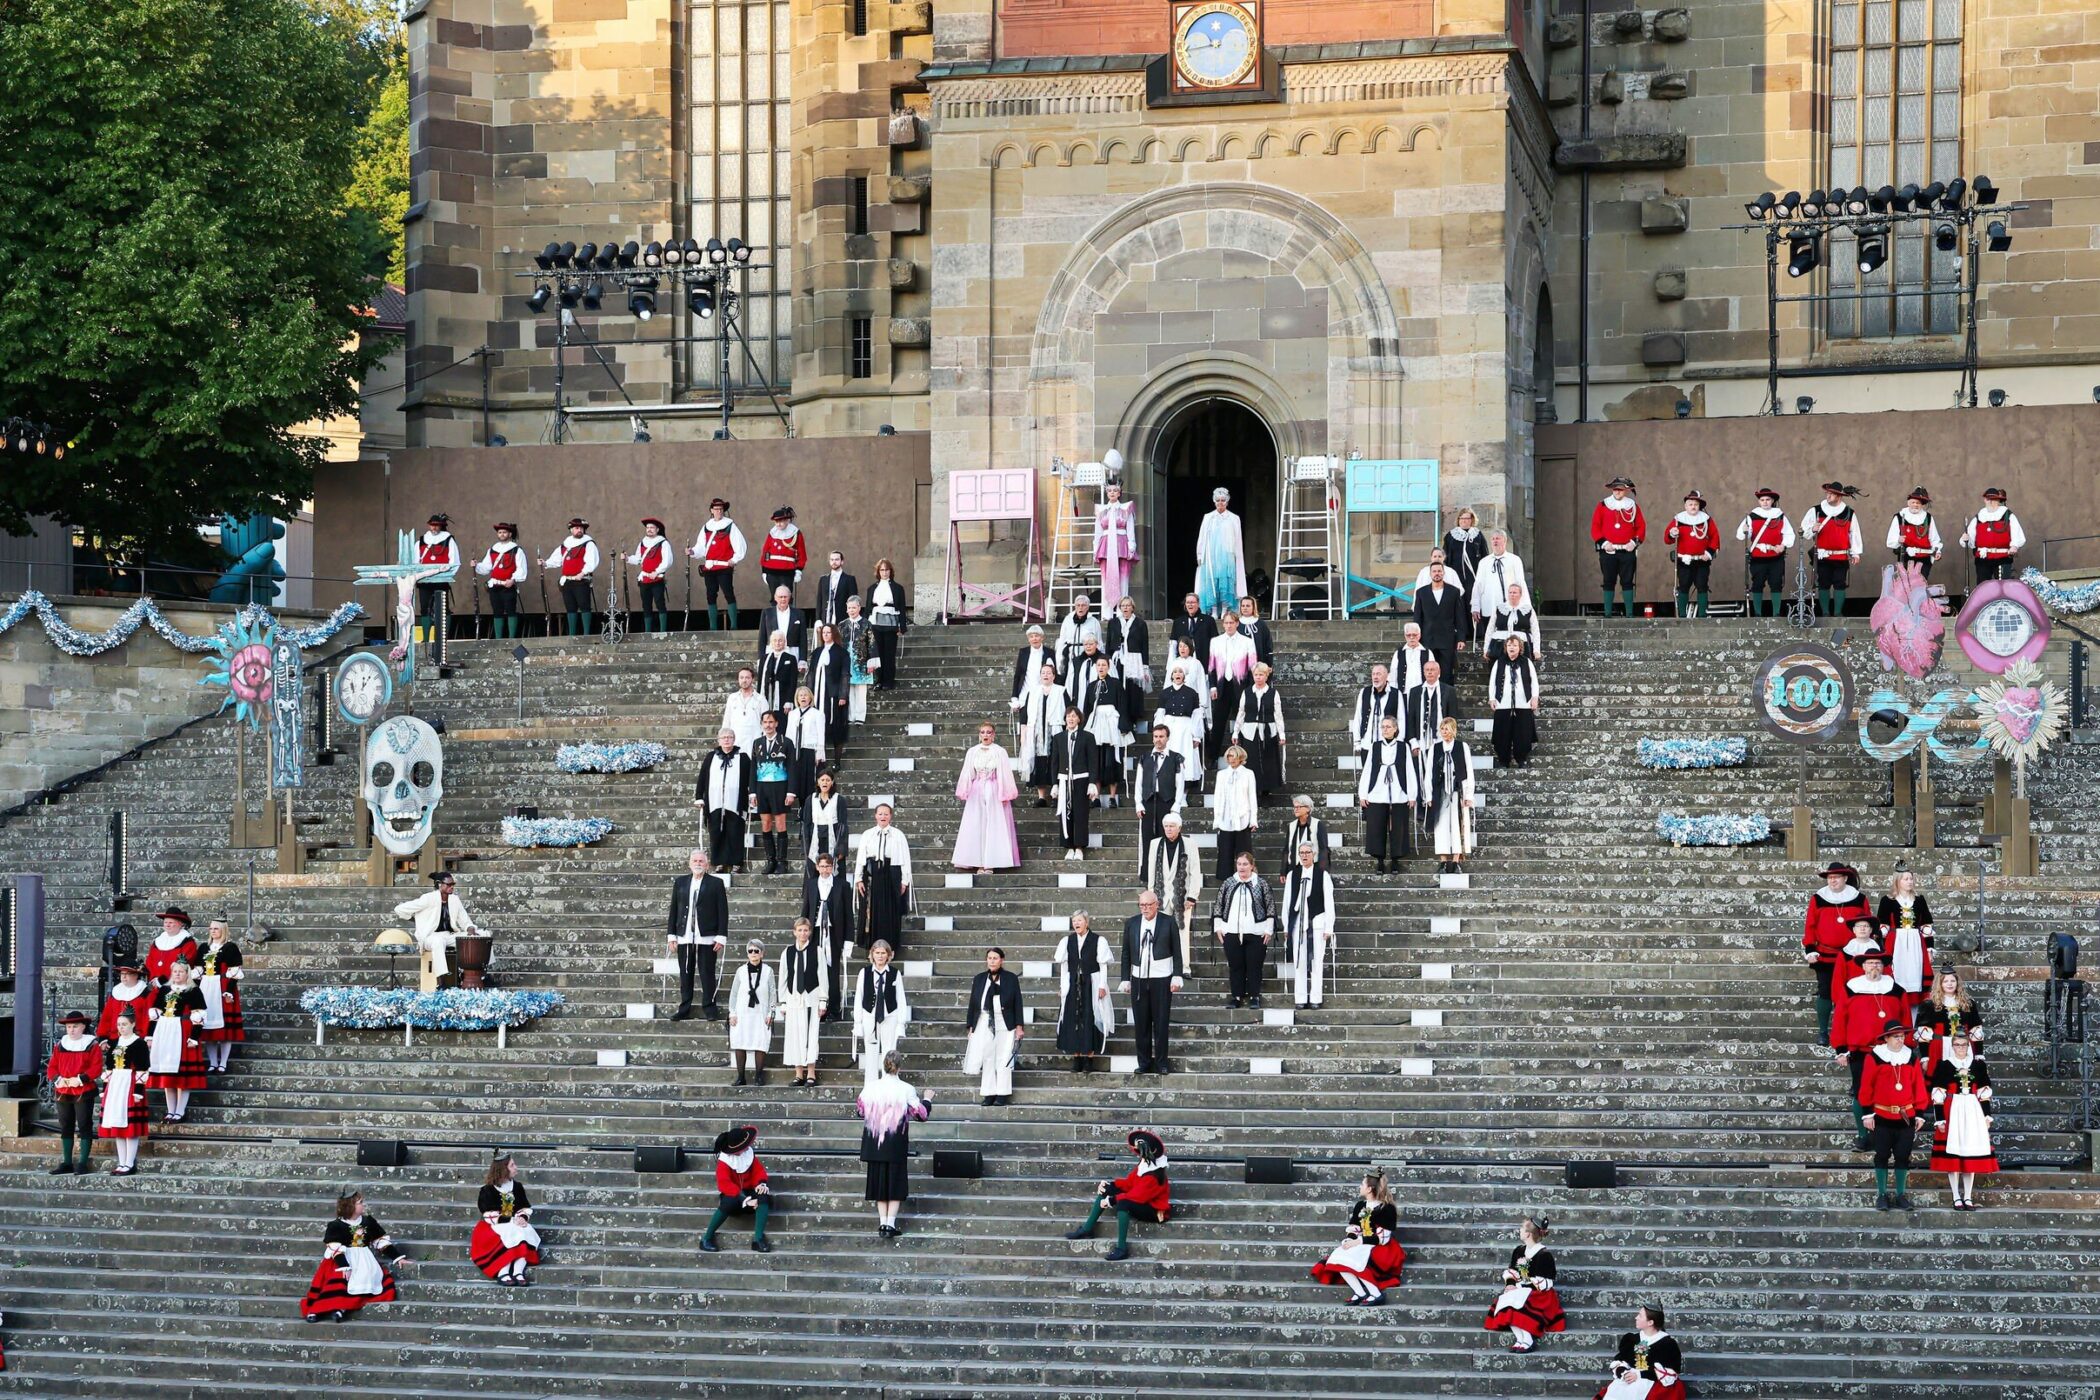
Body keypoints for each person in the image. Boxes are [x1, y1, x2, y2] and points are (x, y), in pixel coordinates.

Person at [1832, 945, 1904, 1153]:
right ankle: (1863, 1136)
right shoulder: (1851, 987)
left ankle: (1886, 1137)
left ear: (1884, 967)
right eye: (1870, 963)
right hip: (1860, 1050)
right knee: (1860, 1092)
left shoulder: (1896, 989)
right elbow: (1840, 1020)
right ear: (1863, 966)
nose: (1874, 966)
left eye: (1878, 963)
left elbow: (1904, 1019)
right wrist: (1840, 1048)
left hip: (1889, 1050)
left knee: (1889, 1093)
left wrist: (1904, 1044)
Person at [1064, 1129, 1171, 1262]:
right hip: (1140, 1200)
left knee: (1123, 1204)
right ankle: (1087, 1228)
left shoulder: (1155, 1175)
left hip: (1154, 1210)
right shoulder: (1144, 1165)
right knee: (1106, 1190)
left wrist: (1112, 1200)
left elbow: (1137, 1196)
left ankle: (1122, 1248)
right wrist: (1110, 1186)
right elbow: (1129, 1183)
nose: (1138, 1153)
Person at [299, 1191, 405, 1323]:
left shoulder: (368, 1222)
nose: (363, 1205)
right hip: (341, 1260)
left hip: (363, 1259)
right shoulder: (336, 1226)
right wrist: (344, 1266)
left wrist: (398, 1257)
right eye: (360, 1203)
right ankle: (316, 1309)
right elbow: (335, 1249)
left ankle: (342, 1308)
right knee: (337, 1280)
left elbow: (380, 1242)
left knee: (363, 1279)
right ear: (350, 1206)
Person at [857, 1051, 932, 1237]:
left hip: (875, 1143)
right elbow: (921, 1114)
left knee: (880, 1185)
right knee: (895, 1184)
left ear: (884, 1065)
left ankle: (883, 1223)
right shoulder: (906, 1088)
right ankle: (890, 1224)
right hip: (895, 1143)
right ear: (899, 1067)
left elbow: (860, 1111)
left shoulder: (871, 1087)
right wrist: (928, 1099)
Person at [1858, 1016, 1928, 1211]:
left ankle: (1900, 1195)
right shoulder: (1874, 1056)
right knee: (1881, 1155)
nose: (1900, 1039)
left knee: (1903, 1156)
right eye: (1895, 1036)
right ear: (1886, 1038)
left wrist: (1920, 1113)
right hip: (1881, 1115)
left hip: (1905, 1116)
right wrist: (1867, 1114)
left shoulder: (1911, 1057)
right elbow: (1866, 1086)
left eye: (1902, 1036)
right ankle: (1881, 1194)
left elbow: (1919, 1087)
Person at [1309, 1171, 1404, 1306]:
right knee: (1338, 1256)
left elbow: (1383, 1238)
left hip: (1381, 1246)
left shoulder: (1387, 1208)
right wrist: (1350, 1239)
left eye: (1362, 1184)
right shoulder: (1360, 1205)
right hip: (1362, 1242)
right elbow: (1355, 1227)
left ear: (1370, 1189)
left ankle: (1376, 1294)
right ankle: (1359, 1292)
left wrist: (1358, 1241)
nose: (1360, 1187)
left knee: (1356, 1258)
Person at [1801, 861, 1871, 1045]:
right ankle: (1823, 1032)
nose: (1832, 881)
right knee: (1825, 991)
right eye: (1830, 878)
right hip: (1825, 954)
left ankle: (1850, 1031)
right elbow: (1810, 925)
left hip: (1852, 955)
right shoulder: (1818, 898)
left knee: (1852, 992)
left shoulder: (1859, 898)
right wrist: (1810, 948)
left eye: (1836, 878)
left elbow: (1868, 923)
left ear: (1845, 878)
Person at [1929, 1027, 1996, 1210]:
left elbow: (1983, 1093)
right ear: (1952, 1046)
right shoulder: (1944, 1065)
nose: (1960, 1048)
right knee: (1954, 1154)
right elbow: (1938, 1094)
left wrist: (1987, 1115)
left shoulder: (1978, 1065)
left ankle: (1968, 1196)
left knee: (1970, 1153)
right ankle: (1956, 1196)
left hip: (1973, 1110)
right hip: (1953, 1109)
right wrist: (1940, 1119)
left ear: (1968, 1046)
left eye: (1964, 1045)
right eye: (1957, 1045)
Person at [1120, 891, 1184, 1075]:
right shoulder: (1131, 923)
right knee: (1141, 1023)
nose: (1145, 909)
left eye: (1148, 905)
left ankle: (1162, 1063)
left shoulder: (1168, 921)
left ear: (1157, 904)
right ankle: (1144, 1062)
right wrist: (1125, 978)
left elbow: (1177, 951)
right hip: (1139, 978)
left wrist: (1177, 975)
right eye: (1142, 905)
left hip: (1162, 978)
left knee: (1161, 1022)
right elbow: (1126, 953)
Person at [664, 849, 729, 1022]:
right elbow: (674, 910)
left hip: (707, 937)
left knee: (707, 973)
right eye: (695, 861)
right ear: (689, 863)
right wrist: (671, 935)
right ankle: (684, 1008)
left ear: (707, 865)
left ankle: (710, 1008)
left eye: (701, 861)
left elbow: (723, 911)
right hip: (684, 935)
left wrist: (721, 936)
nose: (698, 864)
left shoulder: (716, 883)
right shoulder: (680, 883)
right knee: (685, 974)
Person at [1482, 1216, 1565, 1352]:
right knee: (1506, 1300)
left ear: (1528, 1234)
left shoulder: (1544, 1255)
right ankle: (1520, 1338)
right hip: (1521, 1289)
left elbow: (1545, 1282)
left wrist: (1521, 1287)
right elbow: (1512, 1271)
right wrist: (1510, 1284)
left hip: (1539, 1294)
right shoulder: (1519, 1251)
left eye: (1522, 1228)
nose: (1519, 1231)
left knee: (1519, 1303)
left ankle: (1527, 1339)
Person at [953, 722, 1021, 873]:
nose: (986, 735)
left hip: (994, 789)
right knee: (977, 824)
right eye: (983, 732)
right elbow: (968, 773)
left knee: (994, 825)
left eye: (989, 732)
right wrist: (965, 790)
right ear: (979, 735)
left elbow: (1005, 773)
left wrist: (1004, 793)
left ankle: (991, 862)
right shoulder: (972, 752)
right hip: (977, 791)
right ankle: (979, 862)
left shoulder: (1000, 752)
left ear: (994, 735)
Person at [146, 960, 207, 1123]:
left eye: (181, 971)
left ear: (187, 974)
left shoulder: (193, 991)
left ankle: (180, 1111)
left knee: (182, 1076)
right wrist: (150, 1036)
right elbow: (155, 1014)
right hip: (164, 1031)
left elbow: (199, 1016)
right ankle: (170, 1110)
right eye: (175, 971)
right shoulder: (164, 989)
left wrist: (194, 1037)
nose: (178, 974)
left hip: (182, 1031)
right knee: (168, 1074)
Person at [44, 1009, 104, 1175]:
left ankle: (83, 1163)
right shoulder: (60, 1045)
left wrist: (80, 1079)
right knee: (66, 1126)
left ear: (83, 1027)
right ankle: (67, 1162)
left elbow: (96, 1067)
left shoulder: (92, 1044)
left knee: (84, 1125)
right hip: (63, 1089)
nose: (71, 1030)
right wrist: (58, 1079)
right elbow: (52, 1067)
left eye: (75, 1026)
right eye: (69, 1027)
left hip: (83, 1090)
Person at [1055, 911, 1116, 1072]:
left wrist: (1102, 986)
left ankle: (1089, 1058)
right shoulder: (1067, 941)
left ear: (1086, 922)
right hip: (1073, 983)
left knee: (1090, 1017)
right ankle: (1077, 1057)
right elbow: (1064, 966)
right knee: (1073, 1018)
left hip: (1091, 983)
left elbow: (1103, 965)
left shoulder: (1098, 940)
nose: (1076, 923)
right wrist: (1063, 987)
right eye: (1074, 920)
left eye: (1079, 920)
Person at [1141, 812, 1204, 969]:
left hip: (1182, 896)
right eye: (1166, 826)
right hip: (1160, 895)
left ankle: (1184, 966)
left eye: (1172, 826)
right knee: (1160, 931)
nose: (1168, 829)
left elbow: (1195, 871)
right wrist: (1150, 893)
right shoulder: (1155, 844)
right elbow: (1151, 870)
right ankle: (1162, 965)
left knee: (1182, 932)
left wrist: (1192, 896)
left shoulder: (1190, 844)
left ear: (1179, 828)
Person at [1212, 850, 1273, 1009]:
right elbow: (1219, 904)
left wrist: (1269, 929)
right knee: (1235, 965)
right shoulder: (1228, 883)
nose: (1241, 867)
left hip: (1256, 931)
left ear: (1252, 866)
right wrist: (1218, 927)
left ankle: (1254, 996)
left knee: (1254, 965)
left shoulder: (1261, 883)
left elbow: (1270, 906)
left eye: (1245, 864)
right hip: (1231, 931)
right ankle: (1236, 996)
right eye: (1239, 864)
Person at [965, 947, 1024, 1106]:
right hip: (984, 1021)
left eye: (995, 958)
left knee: (1003, 1058)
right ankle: (989, 1093)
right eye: (989, 958)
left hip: (1005, 1021)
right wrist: (970, 1025)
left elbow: (1018, 1002)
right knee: (988, 1057)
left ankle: (1002, 1093)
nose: (992, 961)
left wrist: (1019, 1026)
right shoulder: (979, 979)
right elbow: (973, 1003)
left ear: (1002, 960)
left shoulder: (1011, 978)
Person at [1357, 713, 1416, 873]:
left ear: (1395, 729)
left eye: (1388, 727)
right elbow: (1367, 770)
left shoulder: (1403, 747)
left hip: (1399, 791)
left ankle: (1395, 860)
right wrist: (1363, 794)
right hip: (1377, 792)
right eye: (1383, 727)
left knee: (1398, 827)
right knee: (1376, 826)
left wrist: (1412, 794)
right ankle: (1380, 861)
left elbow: (1410, 770)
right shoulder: (1375, 746)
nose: (1385, 729)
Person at [1281, 840, 1336, 1010]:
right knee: (1299, 962)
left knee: (1316, 963)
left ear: (1314, 855)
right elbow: (1287, 902)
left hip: (1317, 925)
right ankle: (1300, 998)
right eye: (1301, 853)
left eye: (1307, 853)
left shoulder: (1322, 874)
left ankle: (1316, 998)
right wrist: (1286, 926)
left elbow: (1329, 902)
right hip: (1298, 924)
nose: (1304, 856)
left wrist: (1329, 928)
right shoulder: (1293, 875)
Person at [97, 1008, 151, 1175]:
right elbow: (109, 1068)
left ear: (133, 1024)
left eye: (125, 1024)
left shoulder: (139, 1043)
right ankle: (121, 1162)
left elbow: (143, 1068)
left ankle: (129, 1162)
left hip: (130, 1085)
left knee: (130, 1127)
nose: (121, 1027)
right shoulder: (114, 1042)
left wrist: (138, 1091)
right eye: (119, 1024)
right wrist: (105, 1089)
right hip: (115, 1085)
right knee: (117, 1125)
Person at [470, 1155, 541, 1285]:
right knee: (511, 1232)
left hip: (514, 1223)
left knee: (524, 1231)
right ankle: (503, 1271)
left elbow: (524, 1206)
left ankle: (518, 1271)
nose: (516, 1167)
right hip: (493, 1225)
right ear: (503, 1169)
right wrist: (510, 1220)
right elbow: (487, 1214)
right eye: (512, 1165)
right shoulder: (487, 1190)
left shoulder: (517, 1187)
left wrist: (522, 1218)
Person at [703, 1125, 774, 1253]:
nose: (747, 1147)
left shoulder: (748, 1154)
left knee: (764, 1196)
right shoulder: (724, 1162)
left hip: (749, 1191)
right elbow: (724, 1184)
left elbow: (758, 1172)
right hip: (734, 1195)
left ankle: (758, 1239)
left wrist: (760, 1184)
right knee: (728, 1202)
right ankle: (706, 1238)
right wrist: (745, 1200)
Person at [802, 851, 856, 1022]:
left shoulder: (842, 885)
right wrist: (803, 934)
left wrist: (848, 940)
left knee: (832, 972)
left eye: (828, 866)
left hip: (833, 934)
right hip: (815, 933)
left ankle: (834, 1009)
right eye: (822, 866)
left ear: (833, 867)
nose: (825, 869)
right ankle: (818, 1009)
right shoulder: (810, 885)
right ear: (817, 867)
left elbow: (848, 915)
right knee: (814, 970)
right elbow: (805, 911)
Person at [1422, 716, 1477, 874]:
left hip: (1456, 789)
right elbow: (1429, 772)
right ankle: (1443, 860)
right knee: (1441, 825)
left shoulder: (1461, 746)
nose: (1444, 732)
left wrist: (1468, 795)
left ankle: (1455, 859)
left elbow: (1468, 770)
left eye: (1447, 729)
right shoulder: (1435, 747)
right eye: (1442, 729)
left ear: (1453, 730)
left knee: (1457, 824)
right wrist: (1429, 795)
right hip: (1440, 790)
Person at [1876, 869, 1936, 1015]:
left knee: (1915, 980)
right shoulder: (1887, 900)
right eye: (1906, 879)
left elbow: (1926, 925)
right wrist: (1880, 949)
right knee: (1896, 976)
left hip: (1916, 943)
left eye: (1911, 878)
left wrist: (1929, 949)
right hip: (1895, 943)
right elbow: (1882, 925)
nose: (1910, 881)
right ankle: (1896, 1020)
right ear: (1897, 881)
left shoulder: (1919, 899)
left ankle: (1913, 1022)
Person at [1801, 481, 1865, 618]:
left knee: (1840, 584)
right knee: (1823, 584)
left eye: (1831, 494)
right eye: (1827, 493)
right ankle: (1825, 613)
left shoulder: (1849, 513)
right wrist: (1813, 529)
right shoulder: (1815, 510)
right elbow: (1804, 530)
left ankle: (1837, 613)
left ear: (1839, 496)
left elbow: (1854, 533)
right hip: (1822, 556)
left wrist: (1856, 553)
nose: (1828, 496)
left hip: (1840, 556)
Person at [854, 805, 912, 954]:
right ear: (875, 816)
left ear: (891, 816)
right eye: (880, 814)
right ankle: (872, 947)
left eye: (886, 814)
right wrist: (859, 878)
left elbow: (905, 858)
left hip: (892, 873)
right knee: (871, 910)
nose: (883, 816)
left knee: (891, 911)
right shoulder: (868, 834)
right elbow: (861, 857)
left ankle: (890, 948)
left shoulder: (898, 835)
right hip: (872, 875)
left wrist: (904, 881)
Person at [852, 940, 912, 1083]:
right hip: (869, 1016)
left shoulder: (894, 973)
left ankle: (889, 1084)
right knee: (871, 1053)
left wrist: (900, 1023)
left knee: (889, 1051)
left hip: (890, 1016)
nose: (880, 956)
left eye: (883, 953)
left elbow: (901, 999)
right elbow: (858, 997)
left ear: (888, 955)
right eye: (877, 953)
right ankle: (870, 1087)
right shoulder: (864, 973)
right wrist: (858, 1022)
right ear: (872, 954)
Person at [778, 917, 828, 1087]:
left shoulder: (818, 951)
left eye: (805, 930)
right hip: (793, 999)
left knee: (811, 1036)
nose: (802, 933)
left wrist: (823, 1000)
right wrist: (783, 1002)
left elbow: (823, 977)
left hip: (811, 997)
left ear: (809, 932)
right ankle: (799, 1073)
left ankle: (811, 1073)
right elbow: (783, 979)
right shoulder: (787, 952)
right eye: (799, 930)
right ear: (794, 932)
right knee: (795, 1036)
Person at [1594, 1305, 1684, 1399]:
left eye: (1640, 1315)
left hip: (1652, 1381)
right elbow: (1620, 1360)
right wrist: (1624, 1373)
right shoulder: (1632, 1339)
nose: (1636, 1317)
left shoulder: (1667, 1344)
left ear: (1650, 1322)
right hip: (1629, 1379)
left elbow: (1671, 1371)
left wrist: (1639, 1375)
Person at [695, 729, 753, 874]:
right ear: (719, 740)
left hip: (735, 802)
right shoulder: (711, 757)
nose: (726, 740)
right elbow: (702, 778)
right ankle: (719, 862)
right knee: (716, 831)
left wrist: (752, 794)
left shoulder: (743, 757)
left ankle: (736, 862)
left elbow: (751, 778)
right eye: (723, 738)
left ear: (734, 739)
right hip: (714, 801)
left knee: (735, 832)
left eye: (729, 737)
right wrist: (699, 797)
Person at [749, 709, 798, 876]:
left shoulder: (786, 742)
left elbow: (792, 767)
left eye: (771, 722)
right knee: (766, 824)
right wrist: (752, 792)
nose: (768, 725)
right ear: (761, 724)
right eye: (765, 722)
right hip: (762, 787)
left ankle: (782, 861)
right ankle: (771, 860)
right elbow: (753, 768)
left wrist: (791, 791)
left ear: (776, 723)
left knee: (781, 823)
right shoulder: (757, 743)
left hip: (780, 786)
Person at [1205, 610, 1258, 764]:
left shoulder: (1247, 641)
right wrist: (1213, 687)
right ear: (1223, 624)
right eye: (1226, 623)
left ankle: (1245, 756)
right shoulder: (1215, 641)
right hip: (1222, 686)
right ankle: (1212, 757)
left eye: (1231, 623)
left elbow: (1252, 667)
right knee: (1218, 722)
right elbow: (1211, 666)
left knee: (1242, 721)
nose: (1228, 626)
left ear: (1237, 623)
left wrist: (1249, 690)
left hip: (1240, 686)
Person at [1589, 475, 1646, 618]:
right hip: (1608, 550)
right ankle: (1607, 614)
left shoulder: (1632, 506)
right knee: (1608, 581)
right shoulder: (1602, 505)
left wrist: (1634, 542)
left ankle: (1629, 614)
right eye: (1615, 489)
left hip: (1627, 550)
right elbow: (1595, 527)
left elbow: (1641, 526)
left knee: (1627, 581)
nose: (1617, 492)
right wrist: (1604, 543)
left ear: (1626, 491)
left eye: (1620, 489)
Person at [1049, 705, 1100, 862]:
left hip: (1081, 780)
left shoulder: (1088, 737)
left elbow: (1093, 762)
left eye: (1073, 716)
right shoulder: (1058, 738)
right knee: (1066, 814)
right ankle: (1068, 846)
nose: (1070, 719)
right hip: (1064, 780)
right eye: (1068, 716)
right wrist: (1054, 784)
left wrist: (1092, 782)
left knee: (1080, 813)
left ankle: (1079, 847)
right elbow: (1054, 762)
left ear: (1079, 719)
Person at [1134, 724, 1188, 871]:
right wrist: (1138, 803)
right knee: (1147, 839)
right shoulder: (1144, 757)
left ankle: (1166, 872)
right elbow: (1138, 782)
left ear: (1167, 738)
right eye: (1156, 736)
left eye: (1161, 736)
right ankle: (1147, 873)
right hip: (1148, 802)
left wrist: (1176, 806)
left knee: (1167, 838)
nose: (1158, 740)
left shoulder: (1176, 758)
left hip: (1167, 802)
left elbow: (1180, 784)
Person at [690, 497, 747, 633]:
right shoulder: (706, 527)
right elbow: (701, 547)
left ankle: (733, 626)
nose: (719, 511)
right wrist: (692, 551)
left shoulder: (730, 526)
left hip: (724, 567)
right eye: (716, 509)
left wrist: (735, 559)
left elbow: (740, 544)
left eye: (721, 509)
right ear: (711, 510)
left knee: (728, 593)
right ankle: (713, 627)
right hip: (710, 567)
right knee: (710, 595)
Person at [1735, 487, 1794, 617]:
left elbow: (1789, 534)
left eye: (1768, 499)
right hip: (1758, 557)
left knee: (1776, 584)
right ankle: (1757, 613)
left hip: (1776, 557)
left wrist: (1783, 545)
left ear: (1772, 501)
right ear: (1759, 502)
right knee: (1757, 584)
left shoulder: (1780, 516)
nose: (1765, 502)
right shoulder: (1751, 516)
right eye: (1762, 500)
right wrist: (1745, 530)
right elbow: (1740, 535)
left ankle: (1776, 613)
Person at [726, 939, 777, 1086]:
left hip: (760, 1013)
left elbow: (772, 993)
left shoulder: (768, 971)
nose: (753, 954)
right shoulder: (741, 971)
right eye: (750, 951)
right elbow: (734, 994)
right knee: (740, 1042)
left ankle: (759, 1076)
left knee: (760, 1043)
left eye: (757, 951)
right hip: (742, 1013)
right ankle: (741, 1076)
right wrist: (732, 1013)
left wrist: (771, 1013)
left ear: (762, 953)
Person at [196, 916, 244, 1073]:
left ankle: (223, 1062)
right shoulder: (204, 947)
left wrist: (229, 990)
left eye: (216, 928)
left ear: (223, 930)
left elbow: (234, 972)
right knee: (208, 1027)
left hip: (222, 987)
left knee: (225, 1029)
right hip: (205, 987)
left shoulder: (230, 947)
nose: (213, 931)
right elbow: (197, 971)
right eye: (211, 928)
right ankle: (212, 1062)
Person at [1916, 967, 1984, 1077]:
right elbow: (1924, 1033)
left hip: (1963, 1047)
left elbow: (1976, 1029)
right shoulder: (1929, 1005)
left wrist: (1979, 1054)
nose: (1950, 984)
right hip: (1939, 1047)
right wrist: (1925, 1056)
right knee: (1939, 1079)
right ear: (1940, 983)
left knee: (1963, 1078)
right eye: (1945, 981)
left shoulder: (1968, 1003)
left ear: (1957, 983)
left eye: (1953, 981)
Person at [1663, 489, 1719, 618]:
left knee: (1702, 586)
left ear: (1699, 506)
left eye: (1695, 504)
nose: (1693, 507)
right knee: (1684, 586)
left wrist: (1709, 553)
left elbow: (1714, 536)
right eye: (1690, 504)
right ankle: (1682, 615)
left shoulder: (1706, 520)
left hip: (1702, 560)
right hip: (1684, 560)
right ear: (1685, 506)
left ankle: (1702, 615)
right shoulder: (1679, 519)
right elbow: (1667, 539)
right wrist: (1672, 533)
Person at [1152, 660, 1207, 793]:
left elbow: (1196, 716)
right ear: (1171, 675)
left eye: (1180, 671)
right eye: (1175, 671)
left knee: (1185, 761)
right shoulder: (1165, 693)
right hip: (1169, 729)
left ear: (1184, 675)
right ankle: (1170, 792)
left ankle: (1182, 794)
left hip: (1186, 730)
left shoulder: (1192, 693)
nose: (1178, 674)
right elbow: (1160, 714)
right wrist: (1159, 734)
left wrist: (1197, 737)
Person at [1233, 662, 1286, 796]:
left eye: (1261, 675)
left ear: (1266, 676)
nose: (1258, 677)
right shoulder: (1247, 692)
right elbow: (1241, 712)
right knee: (1251, 761)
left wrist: (1282, 734)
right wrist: (1235, 732)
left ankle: (1266, 790)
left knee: (1268, 761)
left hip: (1268, 731)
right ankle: (1252, 790)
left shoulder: (1273, 693)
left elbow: (1278, 715)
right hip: (1249, 732)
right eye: (1256, 675)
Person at [1017, 661, 1066, 805]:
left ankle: (1056, 796)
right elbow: (1024, 715)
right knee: (1039, 763)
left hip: (1055, 731)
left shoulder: (1061, 690)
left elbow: (1069, 711)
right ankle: (1042, 797)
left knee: (1055, 762)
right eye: (1043, 673)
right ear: (1040, 676)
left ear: (1054, 676)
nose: (1046, 675)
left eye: (1049, 673)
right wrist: (1024, 734)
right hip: (1036, 733)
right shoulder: (1032, 692)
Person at [1194, 488, 1248, 619]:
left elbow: (1238, 539)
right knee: (1211, 581)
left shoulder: (1234, 518)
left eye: (1223, 500)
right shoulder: (1208, 517)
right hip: (1211, 556)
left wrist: (1237, 556)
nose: (1220, 503)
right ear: (1214, 501)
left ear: (1227, 502)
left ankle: (1224, 609)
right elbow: (1201, 537)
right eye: (1218, 500)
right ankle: (1213, 610)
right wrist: (1200, 554)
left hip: (1227, 555)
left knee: (1226, 581)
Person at [1488, 635, 1541, 768]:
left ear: (1520, 648)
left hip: (1523, 703)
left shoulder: (1526, 662)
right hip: (1503, 703)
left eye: (1515, 645)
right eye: (1509, 645)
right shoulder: (1499, 662)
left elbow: (1534, 680)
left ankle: (1521, 758)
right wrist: (1492, 698)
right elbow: (1492, 682)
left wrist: (1534, 697)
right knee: (1502, 733)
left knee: (1522, 733)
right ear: (1506, 647)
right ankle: (1503, 759)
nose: (1512, 648)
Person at [1468, 530, 1526, 650]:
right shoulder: (1484, 562)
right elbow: (1478, 585)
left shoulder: (1515, 560)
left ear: (1504, 541)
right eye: (1493, 539)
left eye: (1498, 538)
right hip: (1489, 607)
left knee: (1510, 638)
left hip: (1510, 607)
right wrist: (1475, 606)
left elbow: (1520, 583)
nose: (1495, 541)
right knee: (1492, 639)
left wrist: (1524, 605)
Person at [544, 517, 599, 636]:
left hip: (581, 580)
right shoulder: (565, 544)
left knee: (585, 607)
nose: (579, 530)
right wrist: (545, 563)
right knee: (570, 608)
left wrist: (582, 573)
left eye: (581, 528)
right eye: (576, 528)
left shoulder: (588, 544)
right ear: (571, 530)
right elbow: (557, 559)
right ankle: (572, 634)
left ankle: (586, 634)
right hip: (568, 581)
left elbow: (592, 561)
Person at [1211, 746, 1259, 882]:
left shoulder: (1248, 774)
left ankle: (1246, 878)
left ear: (1240, 758)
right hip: (1226, 818)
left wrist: (1253, 820)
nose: (1231, 759)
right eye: (1229, 756)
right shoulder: (1221, 775)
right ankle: (1226, 881)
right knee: (1225, 852)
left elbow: (1252, 797)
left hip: (1243, 818)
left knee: (1244, 851)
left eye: (1234, 756)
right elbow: (1218, 797)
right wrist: (1217, 819)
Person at [1960, 486, 2026, 584]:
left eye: (1993, 499)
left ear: (1998, 500)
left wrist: (2014, 545)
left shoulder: (2007, 515)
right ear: (1985, 500)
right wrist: (1965, 538)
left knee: (2002, 586)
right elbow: (1970, 538)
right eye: (1988, 499)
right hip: (1983, 558)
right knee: (1983, 586)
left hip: (2002, 557)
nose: (1990, 502)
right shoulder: (1979, 516)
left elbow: (2017, 532)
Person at [1412, 561, 1467, 678]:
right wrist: (1416, 637)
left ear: (1443, 573)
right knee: (1427, 673)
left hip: (1447, 640)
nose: (1437, 573)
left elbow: (1460, 617)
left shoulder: (1454, 592)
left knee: (1446, 674)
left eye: (1439, 571)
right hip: (1427, 639)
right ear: (1430, 574)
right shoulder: (1421, 592)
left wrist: (1461, 638)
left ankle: (1446, 696)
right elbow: (1417, 618)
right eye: (1434, 571)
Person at [474, 521, 529, 638]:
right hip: (495, 585)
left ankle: (511, 638)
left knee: (511, 611)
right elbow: (487, 566)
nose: (502, 534)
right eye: (500, 532)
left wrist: (513, 580)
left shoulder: (516, 550)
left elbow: (521, 569)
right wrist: (477, 565)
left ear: (510, 534)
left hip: (508, 585)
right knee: (497, 612)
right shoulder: (493, 550)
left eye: (504, 532)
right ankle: (498, 639)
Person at [1094, 478, 1140, 612]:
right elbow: (1098, 531)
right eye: (1109, 491)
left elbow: (1130, 529)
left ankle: (1123, 610)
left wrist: (1132, 546)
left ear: (1119, 493)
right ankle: (1107, 612)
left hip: (1121, 545)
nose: (1112, 493)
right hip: (1106, 545)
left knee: (1123, 578)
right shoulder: (1101, 510)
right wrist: (1095, 549)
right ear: (1106, 493)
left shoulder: (1126, 508)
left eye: (1115, 490)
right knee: (1105, 578)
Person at [415, 512, 461, 643]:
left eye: (437, 525)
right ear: (428, 526)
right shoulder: (421, 541)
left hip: (441, 579)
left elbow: (454, 560)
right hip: (424, 580)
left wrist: (447, 576)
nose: (434, 528)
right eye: (432, 525)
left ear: (441, 526)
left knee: (443, 608)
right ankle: (425, 638)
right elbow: (416, 561)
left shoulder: (448, 540)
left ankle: (443, 637)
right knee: (424, 608)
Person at [1106, 597, 1151, 727]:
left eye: (1128, 605)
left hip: (1134, 659)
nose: (1125, 608)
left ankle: (1133, 717)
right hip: (1118, 658)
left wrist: (1145, 666)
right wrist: (1107, 661)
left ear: (1133, 607)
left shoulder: (1140, 623)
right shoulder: (1113, 623)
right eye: (1123, 606)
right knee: (1118, 685)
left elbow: (1144, 645)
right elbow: (1109, 642)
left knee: (1133, 688)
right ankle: (1120, 715)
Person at [801, 768, 853, 876]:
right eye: (822, 780)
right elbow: (806, 824)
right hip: (815, 838)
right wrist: (805, 845)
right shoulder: (810, 799)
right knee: (814, 872)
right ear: (818, 782)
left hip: (833, 838)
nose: (825, 782)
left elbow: (843, 825)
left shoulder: (839, 800)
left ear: (832, 782)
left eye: (828, 780)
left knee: (835, 871)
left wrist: (841, 849)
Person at [807, 625, 850, 752]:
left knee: (834, 724)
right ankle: (820, 757)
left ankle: (837, 760)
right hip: (817, 693)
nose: (825, 635)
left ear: (834, 634)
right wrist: (809, 693)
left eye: (828, 632)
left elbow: (845, 674)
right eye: (823, 632)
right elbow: (811, 673)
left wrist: (843, 695)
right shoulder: (817, 652)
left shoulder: (842, 652)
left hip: (833, 694)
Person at [782, 685, 828, 805]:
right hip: (796, 751)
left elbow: (820, 734)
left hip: (810, 750)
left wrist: (820, 752)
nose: (803, 697)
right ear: (797, 699)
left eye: (805, 695)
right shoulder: (792, 714)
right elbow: (789, 733)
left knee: (809, 781)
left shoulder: (817, 714)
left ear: (810, 698)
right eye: (800, 695)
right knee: (797, 779)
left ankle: (808, 808)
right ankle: (801, 808)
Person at [866, 557, 907, 689]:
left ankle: (888, 681)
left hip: (891, 624)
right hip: (875, 623)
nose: (884, 572)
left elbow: (901, 608)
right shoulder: (872, 588)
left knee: (889, 654)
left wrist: (902, 626)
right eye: (882, 570)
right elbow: (868, 608)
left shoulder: (898, 588)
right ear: (878, 572)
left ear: (891, 571)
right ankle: (878, 680)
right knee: (877, 653)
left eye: (887, 570)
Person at [627, 517, 673, 634]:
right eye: (647, 528)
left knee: (660, 604)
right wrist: (627, 558)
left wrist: (656, 572)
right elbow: (638, 559)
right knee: (646, 606)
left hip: (657, 579)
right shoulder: (642, 543)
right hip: (645, 580)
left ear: (657, 529)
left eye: (652, 527)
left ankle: (663, 631)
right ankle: (647, 633)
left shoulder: (663, 543)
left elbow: (667, 561)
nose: (649, 530)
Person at [1887, 485, 1943, 579]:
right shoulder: (1899, 517)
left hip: (1925, 558)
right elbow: (1891, 540)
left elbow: (1934, 537)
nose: (1915, 505)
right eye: (1913, 502)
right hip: (1907, 557)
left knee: (1921, 584)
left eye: (1918, 503)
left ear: (1921, 504)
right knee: (1906, 585)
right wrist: (1898, 539)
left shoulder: (1928, 518)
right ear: (1908, 503)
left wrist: (1938, 551)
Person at [1483, 582, 1542, 669]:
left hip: (1522, 645)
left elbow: (1535, 630)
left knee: (1522, 671)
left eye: (1515, 593)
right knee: (1498, 670)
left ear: (1520, 594)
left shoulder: (1528, 609)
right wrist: (1486, 649)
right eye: (1510, 592)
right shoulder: (1499, 608)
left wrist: (1536, 650)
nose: (1512, 595)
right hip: (1499, 645)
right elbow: (1490, 629)